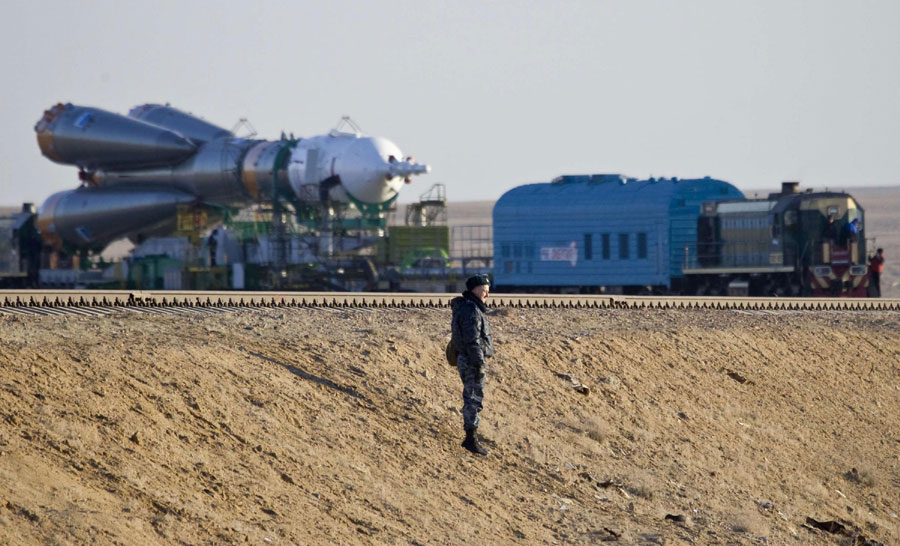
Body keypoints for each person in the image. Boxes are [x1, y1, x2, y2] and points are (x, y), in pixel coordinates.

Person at [450, 274, 494, 456]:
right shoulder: (471, 311)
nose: (486, 295)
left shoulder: (468, 308)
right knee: (473, 398)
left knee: (473, 397)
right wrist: (479, 362)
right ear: (475, 290)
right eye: (484, 290)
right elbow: (472, 340)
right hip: (471, 360)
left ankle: (471, 435)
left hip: (468, 358)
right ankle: (471, 438)